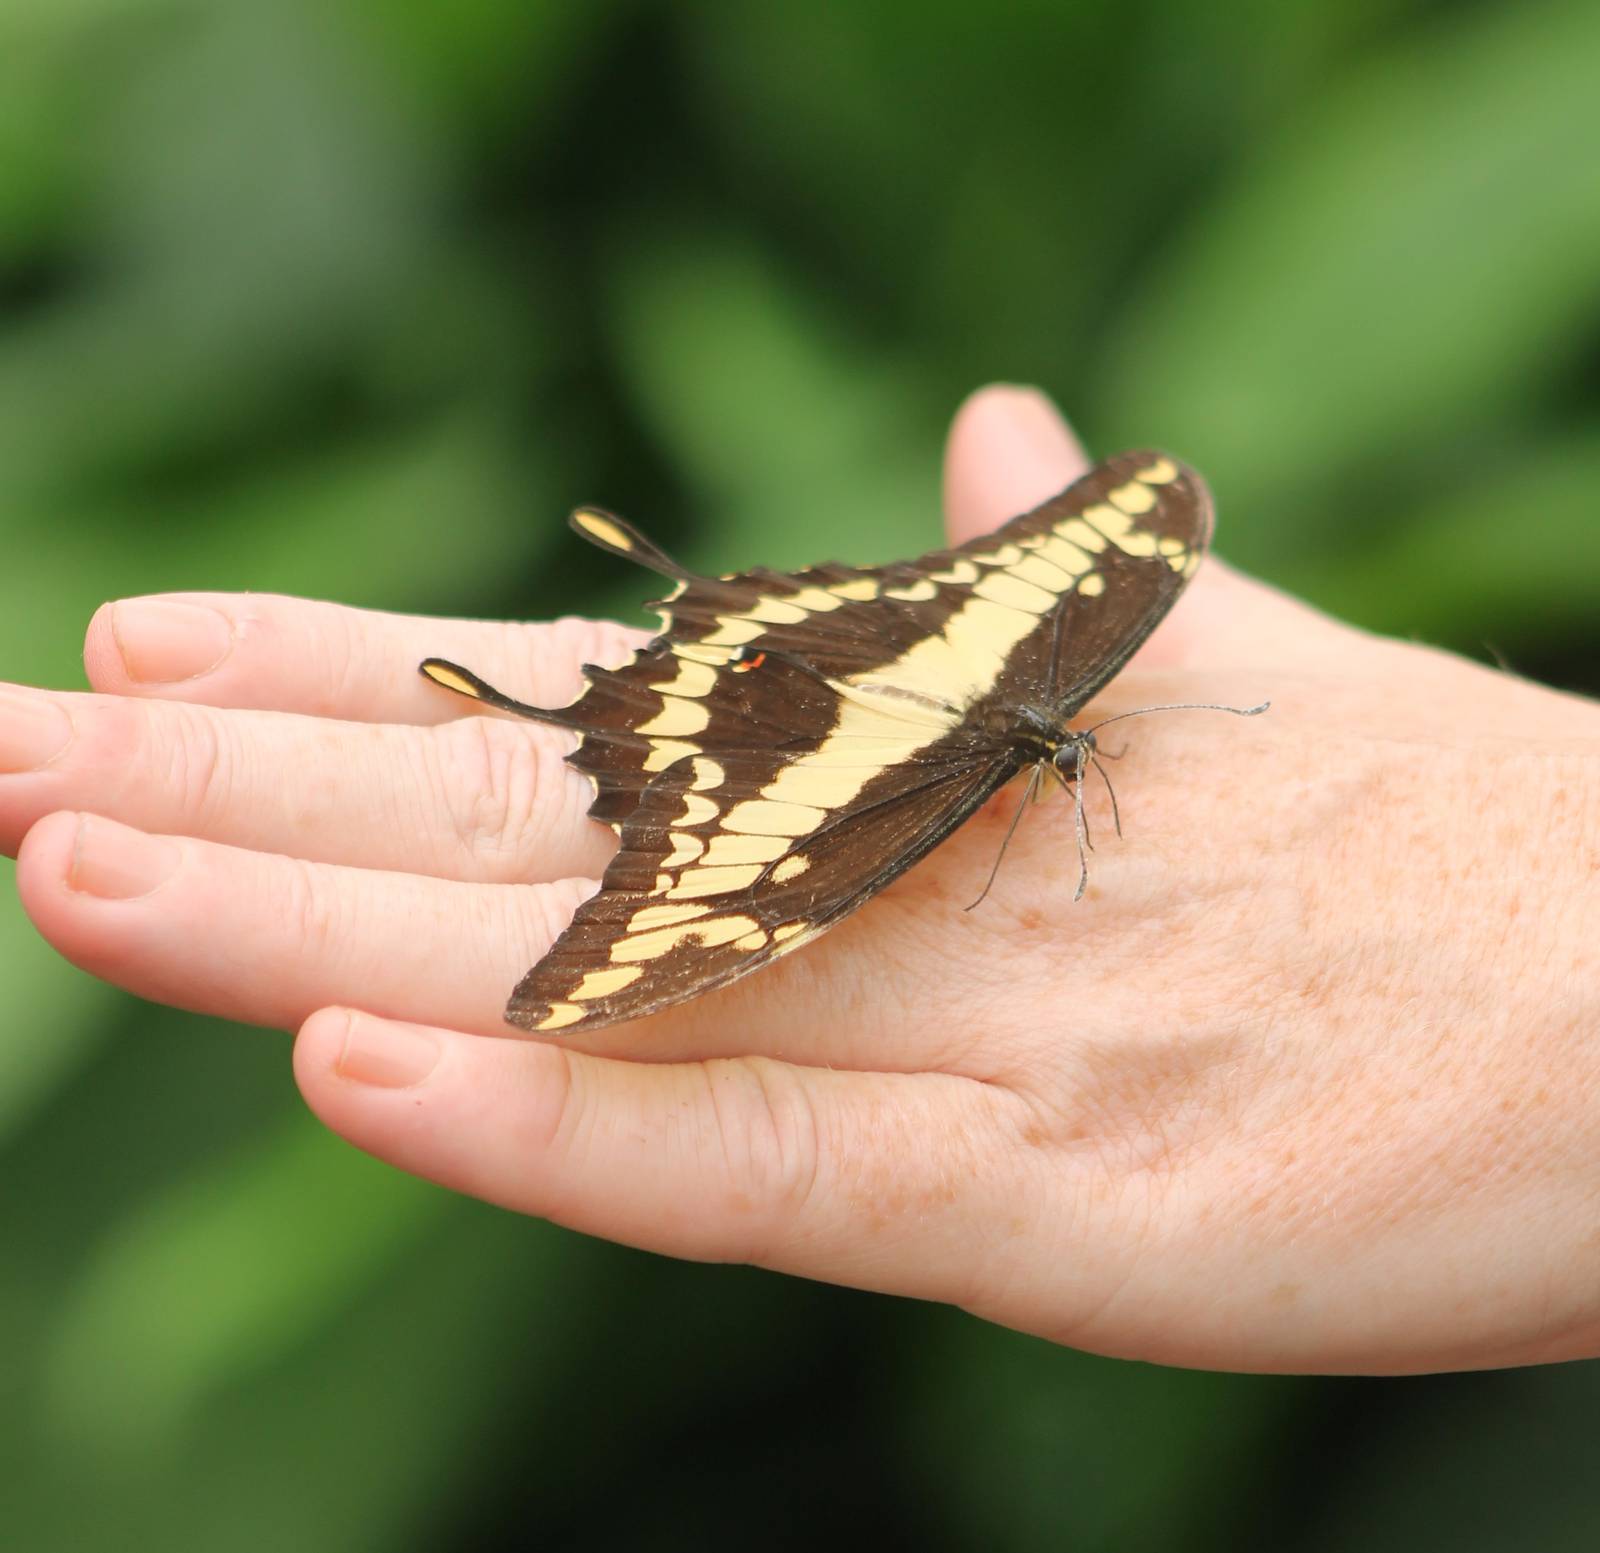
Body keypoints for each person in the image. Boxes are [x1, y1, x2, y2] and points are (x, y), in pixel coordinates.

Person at [3, 386, 1595, 1374]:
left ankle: (649, 668)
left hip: (855, 673)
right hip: (847, 728)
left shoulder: (1077, 653)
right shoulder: (1049, 687)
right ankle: (631, 700)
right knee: (753, 858)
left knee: (731, 759)